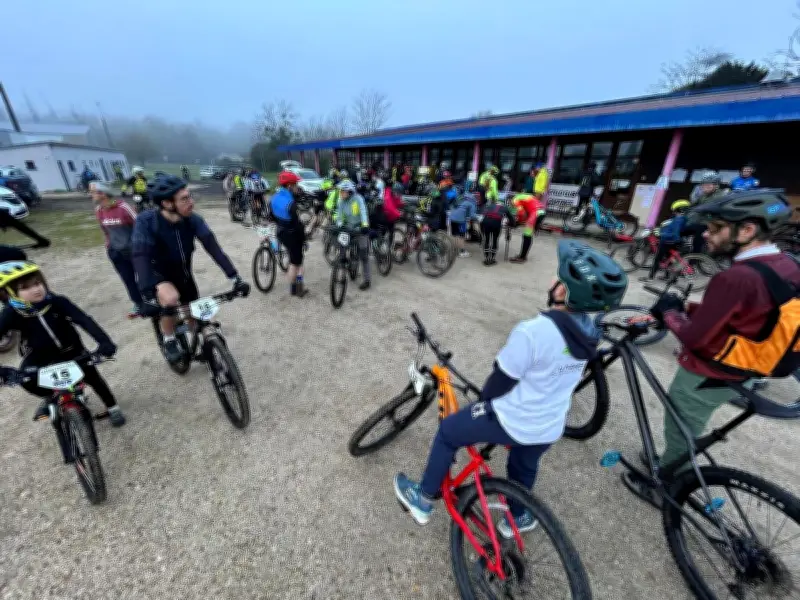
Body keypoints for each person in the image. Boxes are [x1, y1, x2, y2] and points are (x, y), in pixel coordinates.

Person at [394, 241, 627, 531]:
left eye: (558, 276)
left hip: (514, 419)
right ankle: (519, 515)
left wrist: (483, 406)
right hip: (550, 424)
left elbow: (499, 383)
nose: (552, 279)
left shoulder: (534, 332)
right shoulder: (590, 334)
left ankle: (423, 499)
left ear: (562, 291)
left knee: (448, 431)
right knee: (523, 464)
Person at [629, 189, 798, 503]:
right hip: (750, 366)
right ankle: (674, 465)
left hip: (709, 372)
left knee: (682, 426)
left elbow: (695, 339)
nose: (706, 233)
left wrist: (669, 312)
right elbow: (748, 315)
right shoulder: (786, 264)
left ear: (746, 230)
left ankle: (667, 486)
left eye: (716, 227)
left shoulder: (736, 277)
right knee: (693, 422)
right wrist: (689, 310)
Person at [0, 261, 126, 437]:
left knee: (92, 377)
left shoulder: (57, 301)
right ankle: (51, 396)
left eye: (37, 283)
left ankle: (113, 407)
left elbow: (84, 320)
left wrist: (104, 342)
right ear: (12, 293)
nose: (36, 289)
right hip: (40, 356)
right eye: (26, 287)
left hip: (72, 350)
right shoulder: (11, 313)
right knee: (26, 380)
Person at [132, 174, 249, 363]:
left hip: (184, 274)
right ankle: (169, 339)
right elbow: (140, 255)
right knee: (170, 299)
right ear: (168, 203)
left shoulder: (192, 220)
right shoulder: (147, 222)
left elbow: (213, 248)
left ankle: (202, 345)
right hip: (158, 274)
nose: (191, 202)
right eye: (185, 199)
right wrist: (147, 294)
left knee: (193, 315)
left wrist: (235, 278)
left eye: (190, 197)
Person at [92, 182, 142, 316]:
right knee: (128, 279)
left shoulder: (123, 208)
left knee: (143, 276)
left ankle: (151, 299)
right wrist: (109, 245)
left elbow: (139, 226)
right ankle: (138, 303)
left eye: (93, 192)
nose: (91, 195)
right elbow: (105, 230)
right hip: (116, 252)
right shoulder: (99, 210)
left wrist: (138, 245)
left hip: (133, 251)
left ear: (103, 194)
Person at [269, 171, 309, 297]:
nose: (298, 187)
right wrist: (304, 240)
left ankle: (295, 288)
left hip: (280, 232)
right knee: (296, 263)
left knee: (294, 260)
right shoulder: (291, 204)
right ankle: (296, 289)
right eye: (296, 184)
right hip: (293, 235)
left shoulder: (274, 198)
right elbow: (298, 226)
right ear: (290, 186)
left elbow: (272, 217)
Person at [334, 179, 372, 291]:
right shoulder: (341, 201)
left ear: (349, 191)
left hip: (360, 227)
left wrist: (365, 225)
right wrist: (339, 224)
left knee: (364, 255)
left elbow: (363, 212)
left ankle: (367, 280)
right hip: (349, 227)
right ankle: (342, 265)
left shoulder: (358, 199)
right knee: (342, 245)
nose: (341, 193)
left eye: (343, 191)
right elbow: (339, 215)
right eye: (340, 191)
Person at [641, 199, 692, 281]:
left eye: (675, 210)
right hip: (672, 241)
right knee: (669, 258)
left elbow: (675, 234)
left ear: (679, 210)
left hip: (668, 241)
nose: (673, 212)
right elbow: (671, 229)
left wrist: (661, 234)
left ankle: (650, 278)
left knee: (657, 259)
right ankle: (668, 277)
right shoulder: (682, 218)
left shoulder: (678, 220)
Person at [509, 193, 546, 264]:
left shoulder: (515, 200)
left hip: (535, 213)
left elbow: (521, 213)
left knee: (526, 235)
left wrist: (516, 223)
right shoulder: (524, 196)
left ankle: (522, 257)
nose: (513, 206)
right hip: (542, 212)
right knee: (528, 234)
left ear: (511, 199)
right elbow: (526, 212)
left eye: (511, 204)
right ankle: (523, 256)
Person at [480, 197, 514, 266]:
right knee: (495, 240)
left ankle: (486, 259)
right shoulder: (505, 208)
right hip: (496, 224)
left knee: (487, 239)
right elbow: (512, 220)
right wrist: (511, 224)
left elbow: (483, 213)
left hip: (485, 222)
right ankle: (492, 259)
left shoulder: (490, 205)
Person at [448, 190, 477, 258]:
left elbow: (452, 206)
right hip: (461, 221)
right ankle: (462, 252)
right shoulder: (471, 203)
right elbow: (472, 216)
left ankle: (454, 250)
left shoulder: (459, 199)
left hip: (452, 218)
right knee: (462, 236)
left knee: (455, 234)